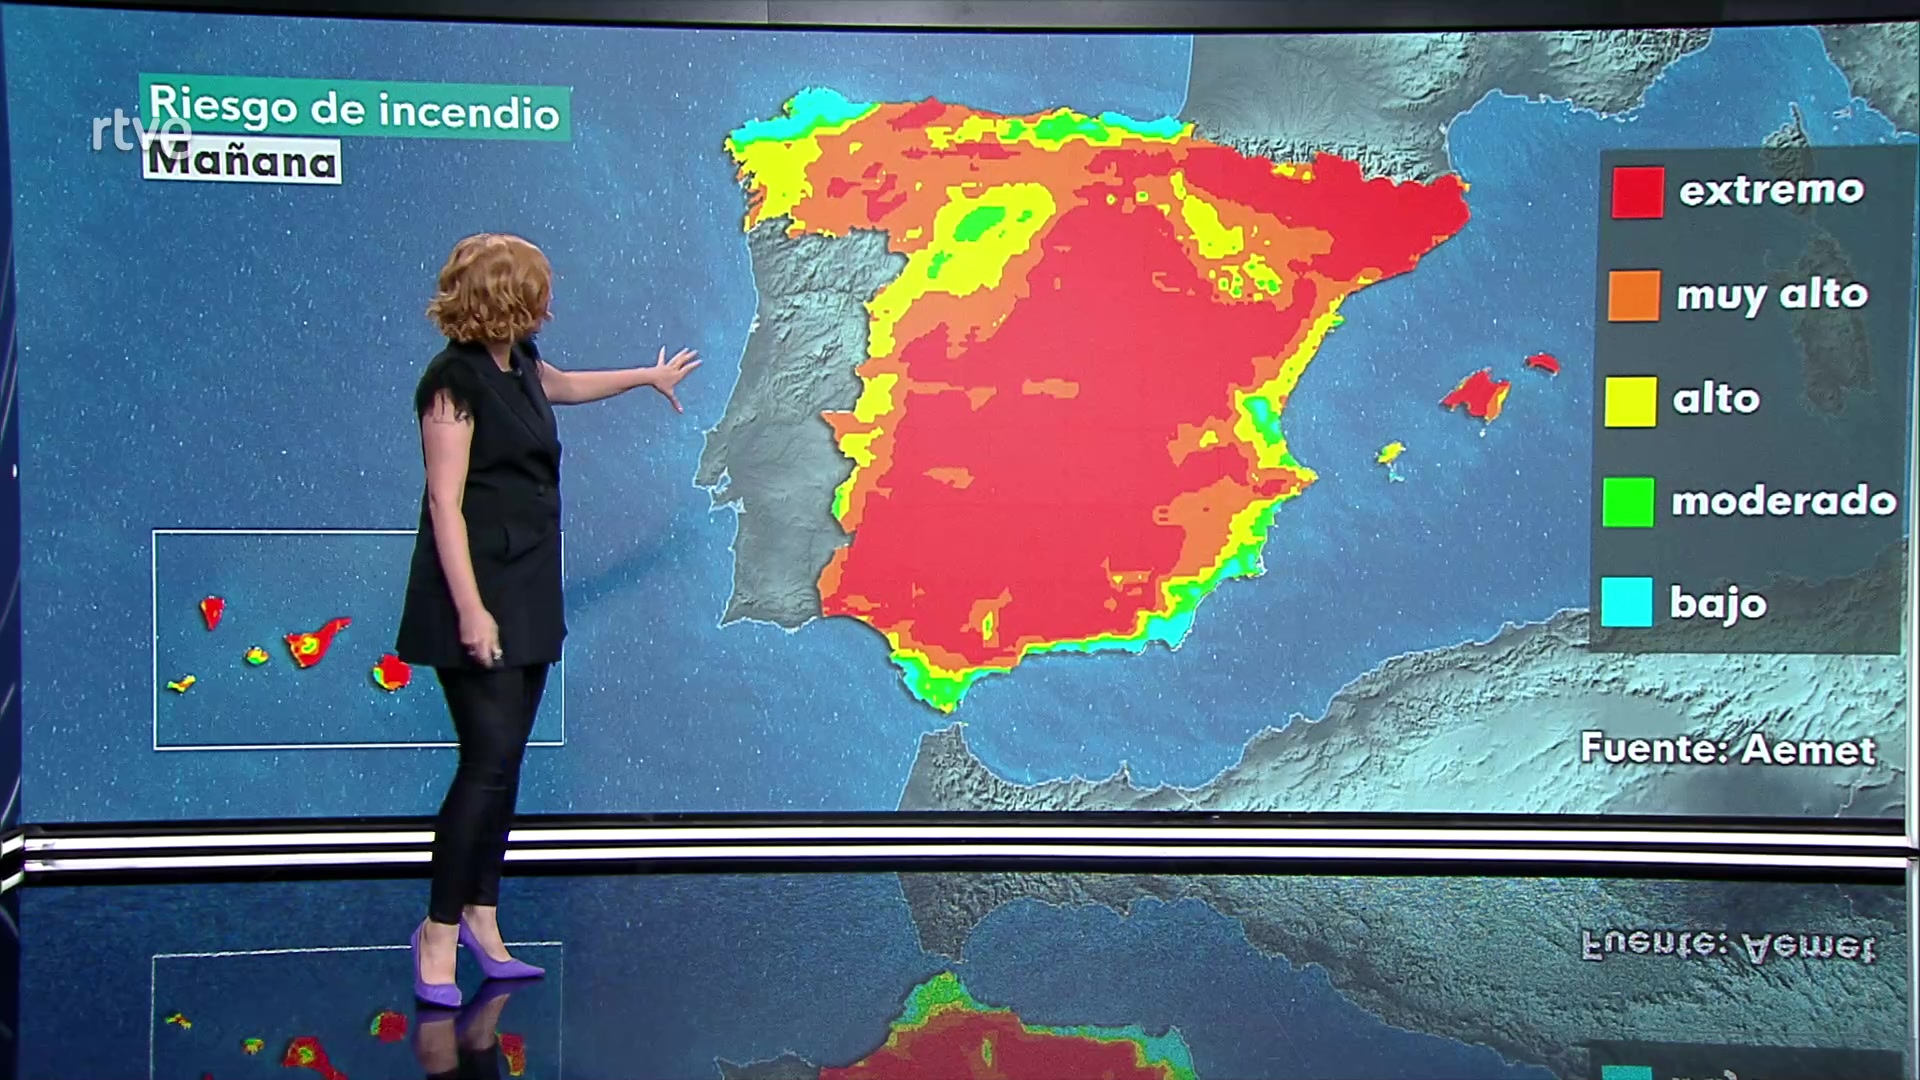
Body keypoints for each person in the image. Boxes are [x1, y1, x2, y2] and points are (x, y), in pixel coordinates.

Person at [398, 232, 698, 1006]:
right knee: (485, 764)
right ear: (504, 296)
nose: (548, 304)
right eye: (537, 291)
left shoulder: (521, 360)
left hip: (528, 588)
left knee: (507, 767)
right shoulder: (450, 383)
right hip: (473, 591)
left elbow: (561, 385)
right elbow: (444, 504)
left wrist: (646, 377)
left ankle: (482, 916)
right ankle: (437, 932)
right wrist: (471, 610)